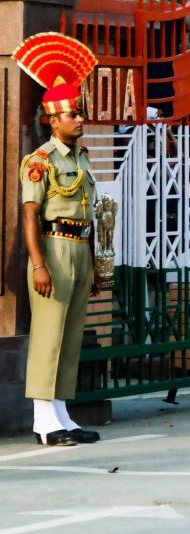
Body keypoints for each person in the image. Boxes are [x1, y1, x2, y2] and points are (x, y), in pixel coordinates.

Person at [14, 32, 102, 447]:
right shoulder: (39, 161)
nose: (79, 119)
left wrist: (97, 262)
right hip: (53, 247)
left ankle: (62, 414)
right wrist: (38, 264)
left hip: (81, 249)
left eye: (79, 113)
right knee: (49, 333)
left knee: (70, 335)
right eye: (71, 115)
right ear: (53, 119)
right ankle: (43, 420)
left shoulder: (81, 157)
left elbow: (91, 214)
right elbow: (30, 215)